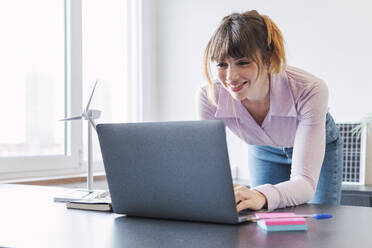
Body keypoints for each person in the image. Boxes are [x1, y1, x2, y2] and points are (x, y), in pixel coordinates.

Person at [197, 10, 343, 211]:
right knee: (262, 220)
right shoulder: (209, 96)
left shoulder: (310, 89)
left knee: (321, 221)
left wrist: (260, 194)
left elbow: (305, 183)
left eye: (243, 62)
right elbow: (206, 168)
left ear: (269, 59)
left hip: (320, 146)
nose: (230, 76)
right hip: (264, 148)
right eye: (222, 64)